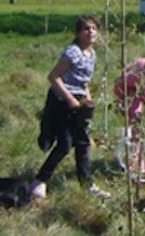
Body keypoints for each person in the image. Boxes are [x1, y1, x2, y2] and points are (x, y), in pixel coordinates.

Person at [31, 16, 111, 200]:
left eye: (94, 29)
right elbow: (53, 77)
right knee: (65, 144)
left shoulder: (92, 54)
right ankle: (39, 181)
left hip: (80, 101)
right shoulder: (72, 53)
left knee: (83, 144)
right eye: (86, 29)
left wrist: (87, 99)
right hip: (61, 101)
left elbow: (84, 82)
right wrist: (69, 99)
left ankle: (87, 184)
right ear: (78, 33)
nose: (91, 32)